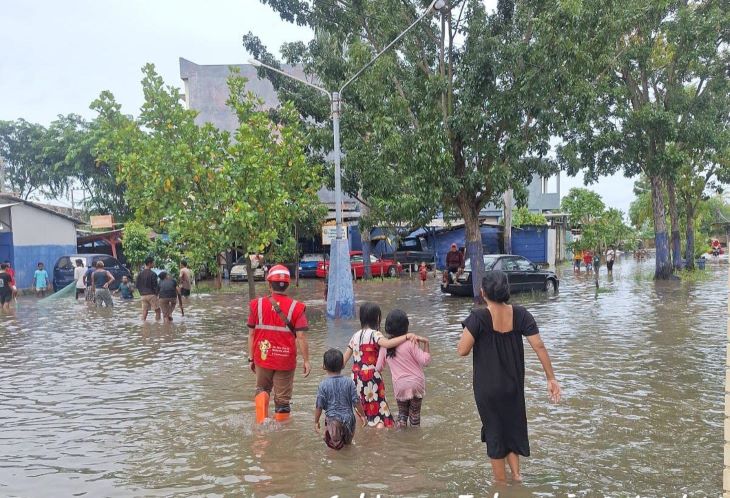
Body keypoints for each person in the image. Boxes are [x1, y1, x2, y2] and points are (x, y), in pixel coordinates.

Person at [457, 270, 561, 484]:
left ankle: (501, 486)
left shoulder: (478, 317)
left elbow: (462, 350)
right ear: (507, 290)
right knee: (511, 428)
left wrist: (472, 329)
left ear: (483, 291)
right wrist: (551, 379)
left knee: (495, 434)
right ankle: (516, 476)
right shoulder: (522, 314)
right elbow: (539, 346)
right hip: (513, 385)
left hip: (488, 389)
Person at [342, 302, 424, 428]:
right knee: (379, 411)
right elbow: (387, 344)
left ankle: (364, 434)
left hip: (356, 377)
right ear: (377, 318)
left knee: (362, 408)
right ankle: (380, 437)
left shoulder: (355, 336)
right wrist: (406, 336)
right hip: (371, 376)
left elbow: (343, 361)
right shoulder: (375, 334)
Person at [247, 264, 310, 423]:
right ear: (288, 285)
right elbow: (301, 336)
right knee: (282, 400)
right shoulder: (297, 307)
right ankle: (281, 436)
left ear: (269, 284)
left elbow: (251, 334)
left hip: (263, 356)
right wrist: (306, 360)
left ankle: (261, 427)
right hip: (285, 360)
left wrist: (250, 358)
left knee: (262, 390)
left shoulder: (256, 305)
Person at [376, 309, 431, 428]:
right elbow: (425, 361)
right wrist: (426, 344)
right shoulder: (411, 343)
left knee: (402, 415)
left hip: (399, 385)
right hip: (416, 383)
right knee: (415, 415)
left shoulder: (385, 347)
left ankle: (401, 439)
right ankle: (415, 441)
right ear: (406, 326)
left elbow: (378, 367)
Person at [315, 349, 366, 450]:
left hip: (334, 422)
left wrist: (316, 421)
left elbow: (319, 406)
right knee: (348, 445)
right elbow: (356, 401)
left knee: (335, 450)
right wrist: (363, 416)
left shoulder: (323, 385)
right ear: (343, 365)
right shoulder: (349, 382)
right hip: (349, 420)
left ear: (324, 366)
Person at [136, 257, 160, 321]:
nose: (154, 264)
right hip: (151, 295)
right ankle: (158, 325)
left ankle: (143, 325)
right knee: (158, 311)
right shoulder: (153, 274)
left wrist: (141, 293)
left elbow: (137, 285)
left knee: (144, 312)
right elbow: (155, 286)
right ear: (149, 263)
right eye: (153, 262)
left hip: (143, 296)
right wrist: (157, 294)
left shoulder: (140, 274)